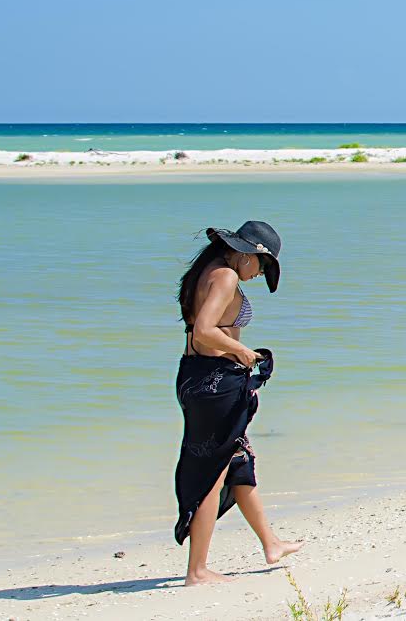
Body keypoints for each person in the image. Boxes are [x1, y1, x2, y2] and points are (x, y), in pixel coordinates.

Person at [173, 220, 303, 585]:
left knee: (237, 458)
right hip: (214, 382)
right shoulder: (226, 276)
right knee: (212, 474)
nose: (259, 274)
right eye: (262, 266)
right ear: (248, 254)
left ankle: (271, 543)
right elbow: (204, 331)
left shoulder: (209, 271)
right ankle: (197, 570)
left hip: (198, 377)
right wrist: (243, 351)